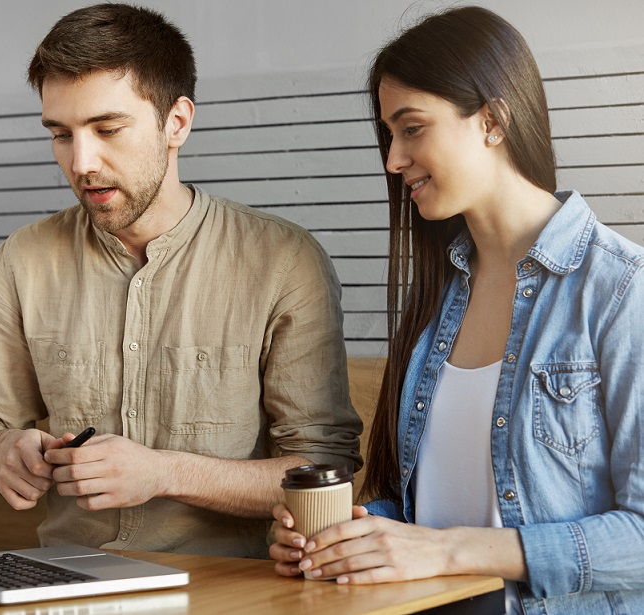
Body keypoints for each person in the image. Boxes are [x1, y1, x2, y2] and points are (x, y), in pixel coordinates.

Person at [269, 5, 644, 613]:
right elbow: (430, 514)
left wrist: (449, 552)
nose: (393, 160)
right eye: (389, 135)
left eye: (411, 128)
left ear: (492, 120)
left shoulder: (622, 291)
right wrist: (350, 537)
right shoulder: (439, 296)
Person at [0, 3, 362, 559]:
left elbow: (324, 469)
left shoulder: (284, 260)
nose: (82, 163)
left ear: (177, 122)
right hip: (66, 580)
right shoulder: (22, 259)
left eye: (107, 129)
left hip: (225, 593)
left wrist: (166, 473)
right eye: (61, 134)